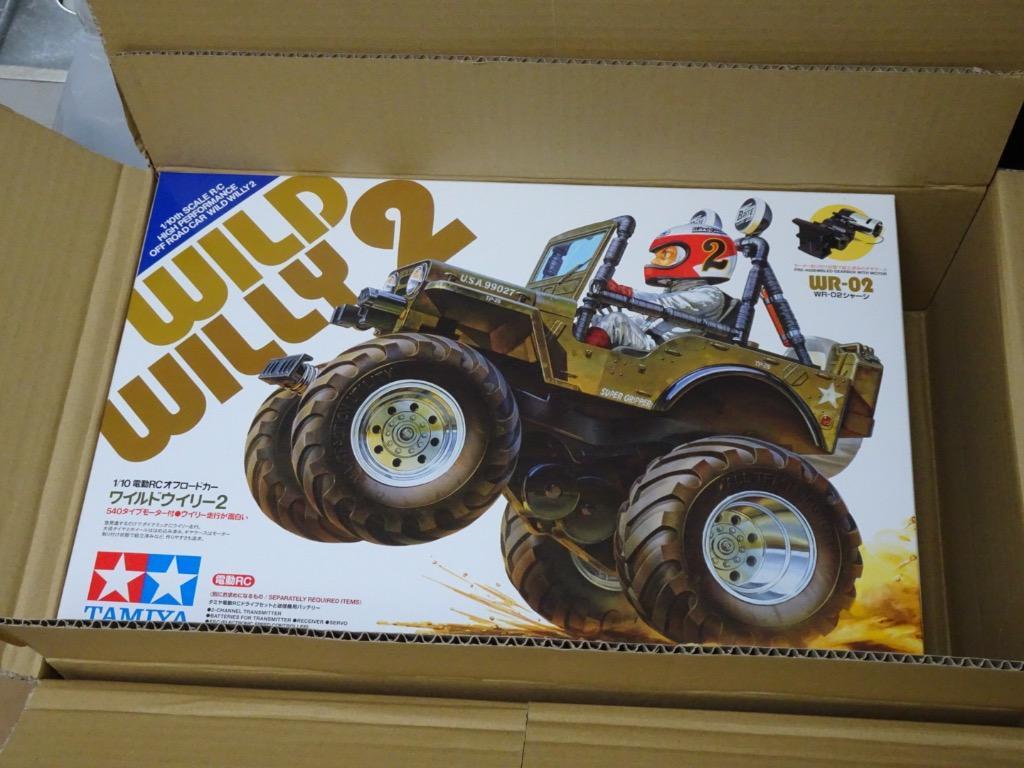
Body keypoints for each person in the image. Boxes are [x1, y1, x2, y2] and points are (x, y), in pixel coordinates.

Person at [586, 209, 740, 351]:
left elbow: (665, 303)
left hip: (662, 353)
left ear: (695, 256)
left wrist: (624, 292)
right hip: (651, 345)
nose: (655, 261)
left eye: (666, 255)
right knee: (598, 319)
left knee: (615, 320)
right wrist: (598, 315)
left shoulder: (710, 295)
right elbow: (645, 320)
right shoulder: (673, 292)